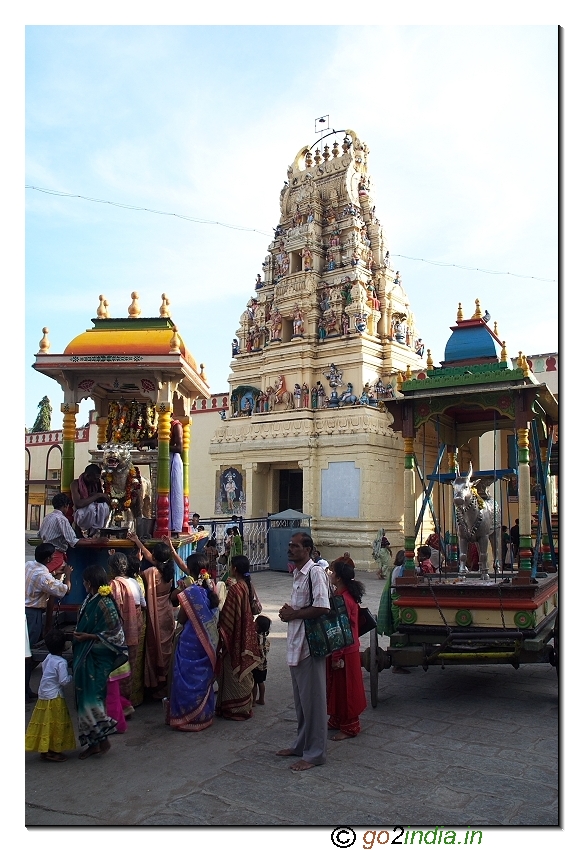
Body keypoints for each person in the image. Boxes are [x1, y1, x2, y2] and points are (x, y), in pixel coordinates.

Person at [277, 533, 330, 771]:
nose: (291, 549)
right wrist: (290, 612)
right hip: (296, 643)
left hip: (309, 646)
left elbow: (322, 606)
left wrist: (294, 614)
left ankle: (315, 753)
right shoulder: (299, 574)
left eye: (295, 546)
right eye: (290, 545)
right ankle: (301, 745)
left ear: (307, 549)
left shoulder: (315, 573)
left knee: (314, 703)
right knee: (301, 703)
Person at [73, 564, 128, 759]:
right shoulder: (91, 598)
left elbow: (115, 634)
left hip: (97, 658)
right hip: (86, 656)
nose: (84, 584)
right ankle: (95, 742)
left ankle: (101, 740)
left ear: (90, 583)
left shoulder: (106, 603)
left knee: (92, 699)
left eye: (85, 581)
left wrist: (88, 637)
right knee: (86, 699)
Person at [167, 562, 220, 731]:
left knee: (184, 677)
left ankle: (186, 717)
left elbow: (182, 618)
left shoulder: (191, 593)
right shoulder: (211, 588)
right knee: (203, 677)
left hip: (190, 642)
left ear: (191, 570)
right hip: (206, 644)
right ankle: (203, 716)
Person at [129, 535, 176, 699]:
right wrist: (138, 541)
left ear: (155, 558)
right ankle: (166, 685)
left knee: (154, 647)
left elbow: (136, 576)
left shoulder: (151, 572)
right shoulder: (169, 570)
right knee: (166, 649)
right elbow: (154, 558)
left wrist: (138, 560)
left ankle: (154, 687)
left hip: (155, 613)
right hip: (167, 613)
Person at [216, 555, 261, 721]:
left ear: (234, 569)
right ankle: (244, 704)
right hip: (246, 631)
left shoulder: (236, 589)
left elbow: (227, 616)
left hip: (235, 633)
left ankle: (235, 708)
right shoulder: (245, 586)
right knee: (242, 667)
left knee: (232, 666)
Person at [326, 557, 367, 740]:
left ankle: (350, 725)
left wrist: (337, 656)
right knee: (338, 688)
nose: (330, 574)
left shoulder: (342, 599)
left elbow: (340, 631)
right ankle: (337, 718)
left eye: (332, 572)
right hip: (347, 648)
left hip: (344, 650)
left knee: (346, 690)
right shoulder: (343, 595)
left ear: (339, 578)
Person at [25, 543, 73, 700]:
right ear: (48, 558)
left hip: (26, 609)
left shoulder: (30, 565)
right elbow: (64, 589)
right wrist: (67, 575)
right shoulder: (44, 577)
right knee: (27, 652)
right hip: (32, 613)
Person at [25, 628, 77, 762]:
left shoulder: (47, 658)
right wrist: (73, 675)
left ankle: (45, 748)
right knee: (55, 723)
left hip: (44, 694)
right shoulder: (61, 662)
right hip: (55, 696)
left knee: (45, 723)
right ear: (63, 647)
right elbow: (63, 681)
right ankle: (53, 750)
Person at [108, 551, 145, 712]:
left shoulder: (112, 586)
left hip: (119, 632)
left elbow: (111, 611)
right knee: (130, 666)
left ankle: (119, 705)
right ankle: (127, 702)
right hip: (135, 630)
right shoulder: (134, 583)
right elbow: (143, 605)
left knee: (115, 668)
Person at [70, 464, 111, 535]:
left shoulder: (96, 483)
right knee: (90, 507)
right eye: (95, 478)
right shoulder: (75, 484)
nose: (97, 480)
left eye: (98, 478)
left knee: (103, 506)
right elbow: (78, 504)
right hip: (81, 516)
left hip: (95, 517)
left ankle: (97, 531)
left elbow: (102, 499)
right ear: (87, 476)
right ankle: (85, 530)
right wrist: (97, 495)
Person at [377, 549, 405, 640]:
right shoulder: (398, 569)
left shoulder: (401, 568)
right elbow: (397, 585)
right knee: (398, 620)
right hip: (397, 597)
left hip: (399, 596)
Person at [169, 418, 184, 533]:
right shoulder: (159, 425)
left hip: (172, 460)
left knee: (175, 493)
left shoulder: (176, 425)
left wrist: (162, 446)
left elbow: (179, 448)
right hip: (164, 460)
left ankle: (174, 526)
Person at [252, 615, 271, 707]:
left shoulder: (255, 637)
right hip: (264, 665)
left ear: (257, 626)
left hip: (256, 665)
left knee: (254, 683)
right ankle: (261, 699)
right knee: (261, 682)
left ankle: (253, 702)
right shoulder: (265, 638)